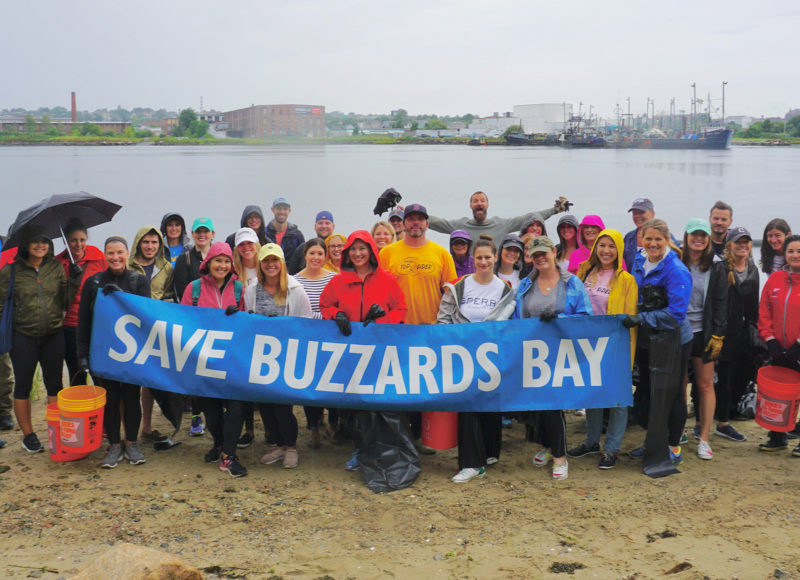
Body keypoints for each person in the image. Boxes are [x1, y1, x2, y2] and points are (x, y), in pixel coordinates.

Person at [320, 231, 407, 471]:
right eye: (353, 250)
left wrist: (383, 318)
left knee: (378, 402)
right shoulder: (338, 280)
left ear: (371, 251)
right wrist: (335, 314)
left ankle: (380, 447)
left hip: (379, 350)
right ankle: (359, 450)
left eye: (362, 249)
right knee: (355, 403)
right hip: (351, 351)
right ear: (347, 253)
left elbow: (401, 309)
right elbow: (325, 304)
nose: (358, 254)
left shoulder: (387, 279)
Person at [437, 235, 516, 482]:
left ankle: (490, 452)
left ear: (495, 258)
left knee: (490, 405)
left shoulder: (505, 288)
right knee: (468, 406)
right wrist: (452, 340)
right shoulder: (459, 286)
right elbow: (443, 317)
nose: (484, 261)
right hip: (463, 354)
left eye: (487, 257)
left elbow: (512, 323)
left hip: (492, 356)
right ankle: (472, 463)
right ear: (473, 260)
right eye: (479, 257)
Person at [513, 236, 592, 480]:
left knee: (554, 404)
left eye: (543, 253)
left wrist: (560, 319)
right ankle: (548, 447)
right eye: (535, 255)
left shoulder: (572, 282)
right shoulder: (526, 283)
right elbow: (517, 318)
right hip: (533, 353)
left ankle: (560, 456)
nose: (540, 258)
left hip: (561, 351)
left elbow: (585, 316)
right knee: (539, 404)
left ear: (554, 252)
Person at [0, 226, 79, 453]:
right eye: (35, 241)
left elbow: (65, 301)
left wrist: (73, 280)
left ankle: (55, 430)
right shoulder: (10, 271)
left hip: (53, 334)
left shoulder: (54, 267)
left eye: (44, 241)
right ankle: (29, 436)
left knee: (55, 385)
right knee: (22, 386)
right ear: (25, 244)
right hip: (22, 335)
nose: (40, 245)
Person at [77, 236, 150, 468]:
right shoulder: (93, 282)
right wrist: (82, 354)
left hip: (130, 352)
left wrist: (121, 297)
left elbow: (147, 316)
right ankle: (114, 445)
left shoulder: (139, 281)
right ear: (104, 255)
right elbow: (83, 322)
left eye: (120, 252)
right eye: (110, 253)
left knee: (130, 398)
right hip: (102, 351)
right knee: (109, 399)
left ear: (127, 253)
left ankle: (131, 442)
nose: (116, 257)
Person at [625, 219, 692, 470]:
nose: (652, 244)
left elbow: (676, 314)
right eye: (648, 238)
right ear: (641, 239)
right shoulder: (639, 260)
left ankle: (673, 446)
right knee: (650, 392)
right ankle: (654, 442)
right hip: (648, 338)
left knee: (672, 394)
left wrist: (641, 318)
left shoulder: (676, 270)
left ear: (667, 241)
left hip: (674, 340)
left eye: (658, 239)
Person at [568, 229, 638, 469]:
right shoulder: (584, 272)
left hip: (616, 345)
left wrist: (628, 352)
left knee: (617, 398)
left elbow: (631, 318)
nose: (606, 251)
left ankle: (611, 448)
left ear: (619, 250)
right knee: (593, 394)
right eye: (602, 245)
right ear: (595, 247)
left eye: (611, 246)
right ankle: (591, 441)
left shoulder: (626, 280)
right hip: (588, 344)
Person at [180, 242, 247, 476]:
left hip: (232, 360)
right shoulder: (194, 289)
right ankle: (219, 444)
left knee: (237, 406)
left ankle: (229, 456)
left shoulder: (239, 289)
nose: (222, 265)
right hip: (203, 359)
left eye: (227, 261)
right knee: (211, 409)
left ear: (232, 265)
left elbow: (249, 323)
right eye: (218, 260)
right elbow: (182, 321)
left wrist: (239, 315)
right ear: (208, 262)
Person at [248, 243, 312, 469]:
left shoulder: (295, 288)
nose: (271, 265)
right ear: (260, 264)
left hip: (286, 355)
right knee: (265, 405)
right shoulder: (252, 288)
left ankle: (292, 447)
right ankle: (280, 446)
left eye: (275, 260)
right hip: (261, 355)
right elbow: (249, 318)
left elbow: (306, 320)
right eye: (266, 261)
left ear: (282, 263)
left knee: (283, 406)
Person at [680, 218, 728, 460]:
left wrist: (718, 334)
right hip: (679, 331)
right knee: (679, 383)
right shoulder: (677, 261)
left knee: (705, 384)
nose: (698, 239)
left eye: (703, 235)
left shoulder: (717, 266)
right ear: (686, 237)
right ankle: (677, 432)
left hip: (705, 332)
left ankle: (705, 438)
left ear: (709, 238)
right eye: (693, 234)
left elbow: (721, 303)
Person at [128, 226, 176, 443]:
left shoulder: (166, 267)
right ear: (139, 243)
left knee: (148, 379)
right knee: (127, 380)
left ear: (160, 245)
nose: (149, 246)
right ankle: (127, 430)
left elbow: (168, 296)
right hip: (130, 327)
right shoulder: (127, 266)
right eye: (146, 242)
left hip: (154, 328)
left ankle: (146, 426)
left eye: (154, 242)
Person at [757, 234, 800, 454]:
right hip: (778, 348)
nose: (795, 255)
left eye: (799, 251)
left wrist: (798, 345)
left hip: (798, 349)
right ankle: (777, 436)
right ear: (785, 254)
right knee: (778, 392)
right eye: (791, 251)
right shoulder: (776, 279)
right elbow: (764, 311)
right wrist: (770, 339)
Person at [715, 226, 758, 441]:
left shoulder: (752, 269)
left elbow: (753, 307)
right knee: (721, 379)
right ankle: (721, 422)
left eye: (746, 242)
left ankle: (729, 414)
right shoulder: (721, 269)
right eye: (738, 242)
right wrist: (716, 332)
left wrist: (754, 332)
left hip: (744, 334)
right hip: (723, 334)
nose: (742, 245)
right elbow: (714, 302)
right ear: (729, 245)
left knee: (739, 378)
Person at [173, 217, 215, 437]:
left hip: (216, 325)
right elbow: (182, 293)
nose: (202, 235)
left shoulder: (220, 257)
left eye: (206, 231)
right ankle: (197, 416)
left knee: (216, 371)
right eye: (198, 231)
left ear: (212, 234)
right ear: (193, 233)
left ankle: (217, 414)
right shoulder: (185, 260)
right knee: (196, 373)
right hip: (194, 323)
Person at [293, 238, 336, 448]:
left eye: (320, 254)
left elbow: (338, 306)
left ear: (326, 257)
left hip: (330, 340)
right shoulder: (294, 281)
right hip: (306, 341)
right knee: (308, 386)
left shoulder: (335, 279)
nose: (316, 258)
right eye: (312, 253)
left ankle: (332, 424)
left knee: (332, 384)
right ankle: (313, 428)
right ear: (305, 255)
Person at [54, 219, 105, 385]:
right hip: (69, 326)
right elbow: (57, 298)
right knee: (77, 374)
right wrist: (72, 279)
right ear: (65, 241)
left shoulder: (98, 256)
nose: (78, 244)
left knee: (100, 374)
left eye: (82, 240)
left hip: (94, 324)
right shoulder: (58, 263)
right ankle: (81, 411)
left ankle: (103, 410)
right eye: (73, 240)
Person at [427, 191, 570, 245]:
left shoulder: (501, 224)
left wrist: (555, 210)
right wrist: (410, 215)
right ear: (470, 205)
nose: (479, 203)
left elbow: (528, 219)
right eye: (475, 201)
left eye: (482, 200)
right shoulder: (460, 226)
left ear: (487, 204)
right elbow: (437, 223)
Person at [231, 227, 261, 449]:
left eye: (250, 243)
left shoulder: (268, 268)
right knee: (244, 383)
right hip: (242, 335)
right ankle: (249, 430)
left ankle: (269, 429)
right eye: (242, 244)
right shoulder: (233, 274)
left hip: (264, 332)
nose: (247, 248)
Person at [622, 198, 679, 271]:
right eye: (634, 213)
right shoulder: (628, 237)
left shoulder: (666, 236)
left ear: (652, 214)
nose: (637, 216)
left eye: (641, 212)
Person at [265, 196, 305, 268]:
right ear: (273, 210)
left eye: (285, 209)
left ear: (289, 211)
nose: (282, 212)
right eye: (278, 208)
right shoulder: (265, 234)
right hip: (269, 274)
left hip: (291, 276)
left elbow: (303, 259)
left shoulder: (297, 235)